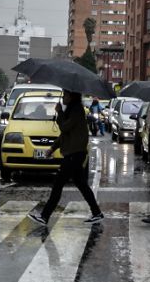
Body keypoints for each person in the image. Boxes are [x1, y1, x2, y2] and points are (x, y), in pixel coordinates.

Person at [28, 90, 103, 225]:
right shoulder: (71, 110)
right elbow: (65, 135)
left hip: (74, 154)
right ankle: (97, 212)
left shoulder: (76, 110)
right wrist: (52, 148)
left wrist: (59, 112)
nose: (63, 97)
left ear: (72, 97)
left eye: (65, 95)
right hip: (74, 153)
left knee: (58, 184)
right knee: (81, 184)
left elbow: (64, 128)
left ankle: (45, 216)